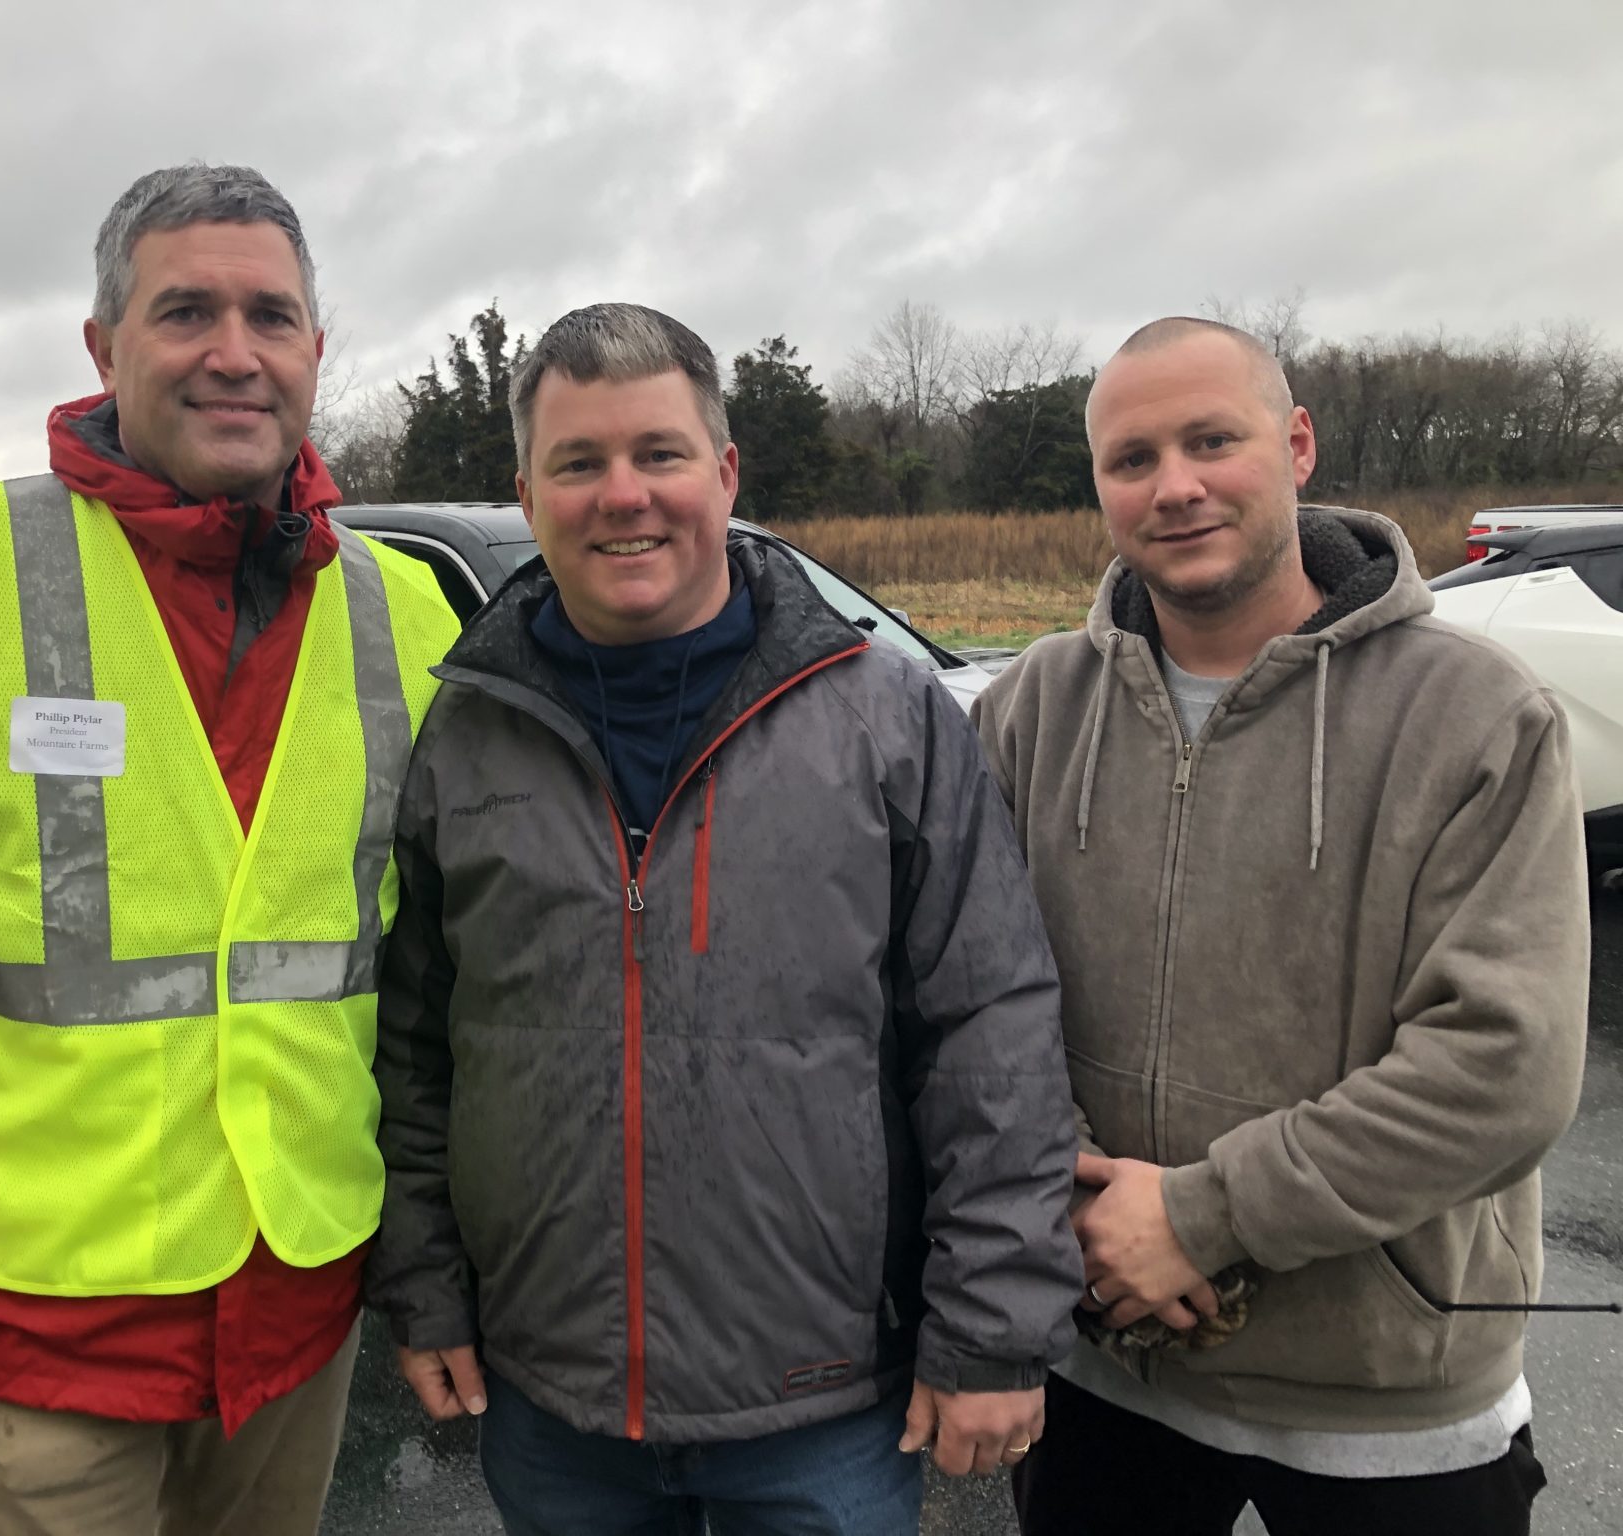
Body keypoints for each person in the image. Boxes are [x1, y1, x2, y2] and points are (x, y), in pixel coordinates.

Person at [0, 164, 458, 1536]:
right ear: (105, 348)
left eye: (270, 317)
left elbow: (441, 986)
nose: (233, 352)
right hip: (28, 1347)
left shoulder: (406, 616)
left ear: (315, 348)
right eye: (185, 312)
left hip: (296, 1321)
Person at [365, 302, 1082, 1535]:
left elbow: (990, 1034)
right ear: (526, 491)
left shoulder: (887, 718)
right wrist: (424, 1287)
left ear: (725, 472)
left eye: (659, 453)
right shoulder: (467, 729)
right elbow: (418, 1049)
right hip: (553, 1404)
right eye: (577, 463)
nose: (622, 495)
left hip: (824, 1407)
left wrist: (992, 1326)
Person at [972, 316, 1589, 1535]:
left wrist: (1199, 1219)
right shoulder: (1030, 708)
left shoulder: (1473, 715)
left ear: (1295, 444)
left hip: (1388, 1401)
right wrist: (1072, 1194)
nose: (1174, 486)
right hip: (1102, 1369)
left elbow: (1501, 1066)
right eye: (1131, 458)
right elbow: (970, 1000)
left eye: (1211, 441)